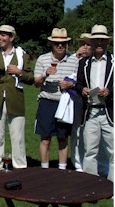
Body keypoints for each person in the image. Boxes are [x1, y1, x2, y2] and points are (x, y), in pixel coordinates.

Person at [0, 25, 34, 171]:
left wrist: (19, 72)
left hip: (15, 99)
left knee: (18, 137)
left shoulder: (22, 55)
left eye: (3, 35)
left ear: (12, 38)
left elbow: (31, 78)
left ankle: (20, 167)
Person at [33, 28, 78, 169]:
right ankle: (45, 169)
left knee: (62, 138)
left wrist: (70, 84)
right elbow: (36, 83)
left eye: (63, 43)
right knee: (45, 138)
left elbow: (79, 81)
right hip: (47, 102)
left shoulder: (74, 60)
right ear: (51, 44)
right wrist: (45, 74)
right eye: (57, 43)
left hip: (65, 103)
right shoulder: (43, 59)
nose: (60, 46)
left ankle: (62, 170)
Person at [74, 25, 113, 182]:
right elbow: (78, 83)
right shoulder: (84, 63)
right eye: (95, 40)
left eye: (101, 40)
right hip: (90, 111)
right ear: (90, 42)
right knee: (90, 150)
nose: (98, 43)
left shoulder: (114, 61)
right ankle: (90, 185)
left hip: (109, 111)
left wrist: (110, 92)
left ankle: (112, 185)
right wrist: (82, 89)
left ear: (106, 42)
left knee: (113, 151)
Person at [70, 33, 92, 172]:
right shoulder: (75, 59)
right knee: (76, 132)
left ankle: (93, 163)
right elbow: (67, 75)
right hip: (77, 99)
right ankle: (77, 163)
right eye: (82, 44)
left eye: (88, 44)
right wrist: (75, 57)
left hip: (95, 101)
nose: (85, 47)